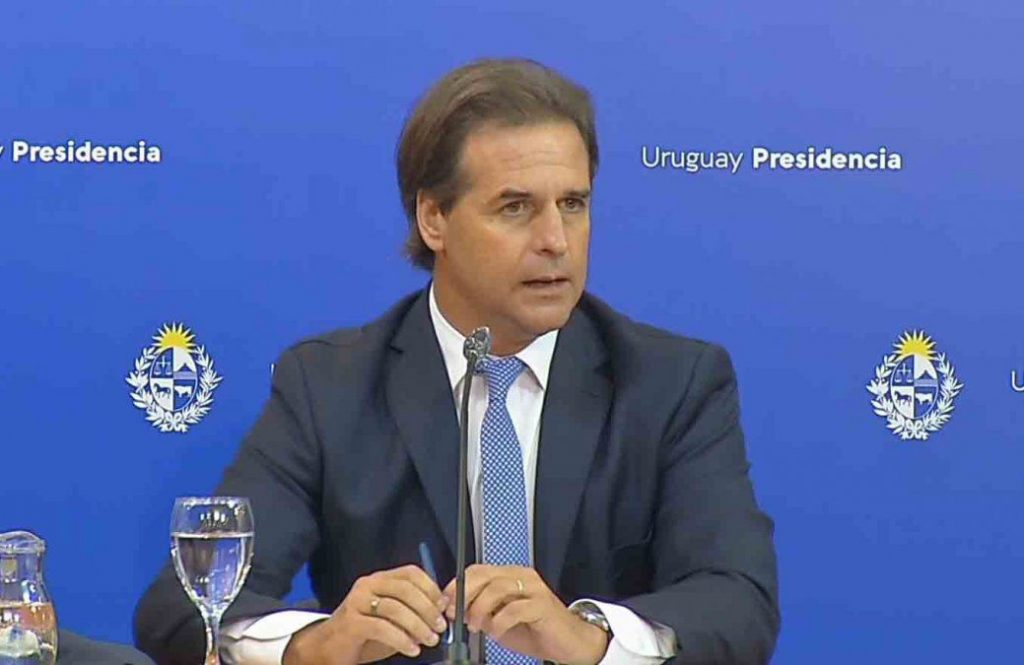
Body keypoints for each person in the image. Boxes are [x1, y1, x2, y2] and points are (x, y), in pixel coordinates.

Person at [134, 58, 779, 665]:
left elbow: (739, 603)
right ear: (433, 218)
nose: (556, 241)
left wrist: (585, 639)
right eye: (515, 207)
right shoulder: (330, 386)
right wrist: (318, 647)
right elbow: (184, 607)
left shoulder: (671, 382)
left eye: (573, 204)